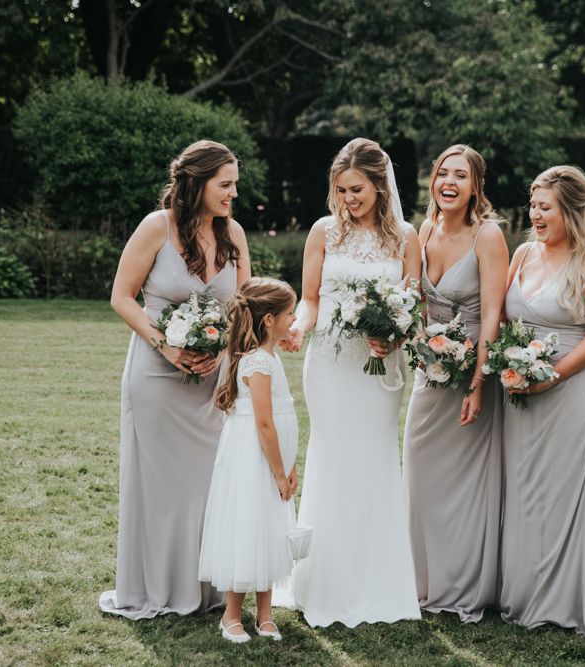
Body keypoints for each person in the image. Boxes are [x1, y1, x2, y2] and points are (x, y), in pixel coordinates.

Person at [99, 140, 251, 619]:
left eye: (235, 185)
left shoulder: (234, 234)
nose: (232, 194)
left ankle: (209, 588)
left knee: (210, 482)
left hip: (214, 381)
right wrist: (166, 344)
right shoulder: (156, 227)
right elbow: (122, 297)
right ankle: (160, 587)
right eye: (225, 185)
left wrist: (225, 349)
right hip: (156, 374)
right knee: (163, 486)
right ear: (197, 182)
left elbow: (243, 307)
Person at [277, 137, 422, 627]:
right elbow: (312, 298)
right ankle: (325, 581)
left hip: (379, 370)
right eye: (340, 190)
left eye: (356, 189)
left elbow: (411, 303)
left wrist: (394, 336)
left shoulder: (406, 236)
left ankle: (378, 580)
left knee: (376, 459)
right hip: (331, 366)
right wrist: (298, 325)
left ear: (380, 185)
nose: (348, 200)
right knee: (332, 458)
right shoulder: (324, 231)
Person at [499, 165, 585, 639]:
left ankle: (559, 601)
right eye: (532, 205)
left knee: (559, 492)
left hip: (569, 389)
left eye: (544, 207)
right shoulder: (524, 253)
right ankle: (523, 592)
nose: (535, 215)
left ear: (570, 210)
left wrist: (552, 375)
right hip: (519, 390)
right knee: (524, 490)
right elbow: (500, 318)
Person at [403, 145, 508, 622]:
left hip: (471, 374)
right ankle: (421, 580)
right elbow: (417, 304)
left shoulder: (488, 235)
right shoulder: (423, 230)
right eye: (443, 173)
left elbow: (493, 314)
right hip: (429, 375)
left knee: (465, 487)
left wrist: (479, 383)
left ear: (474, 186)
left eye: (459, 176)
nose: (449, 182)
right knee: (421, 476)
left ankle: (462, 585)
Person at [199, 277, 299, 643]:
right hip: (253, 461)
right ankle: (231, 615)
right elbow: (263, 423)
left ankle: (266, 613)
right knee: (247, 528)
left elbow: (281, 421)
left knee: (269, 530)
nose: (294, 320)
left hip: (273, 462)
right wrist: (277, 471)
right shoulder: (256, 362)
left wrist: (290, 466)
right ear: (269, 319)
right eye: (289, 313)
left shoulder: (269, 357)